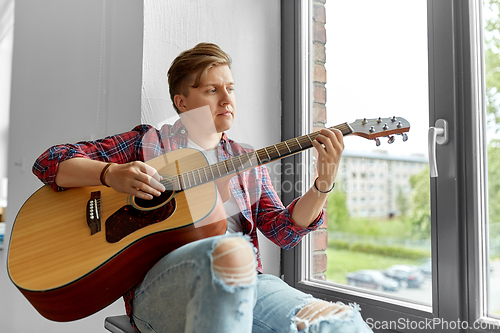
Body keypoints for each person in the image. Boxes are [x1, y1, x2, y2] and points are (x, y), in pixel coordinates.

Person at [33, 43, 372, 333]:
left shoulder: (244, 159)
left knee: (343, 324)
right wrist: (111, 174)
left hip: (247, 286)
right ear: (182, 102)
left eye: (230, 87)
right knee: (231, 251)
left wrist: (322, 184)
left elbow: (284, 232)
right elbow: (49, 162)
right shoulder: (144, 145)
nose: (227, 98)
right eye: (212, 90)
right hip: (162, 288)